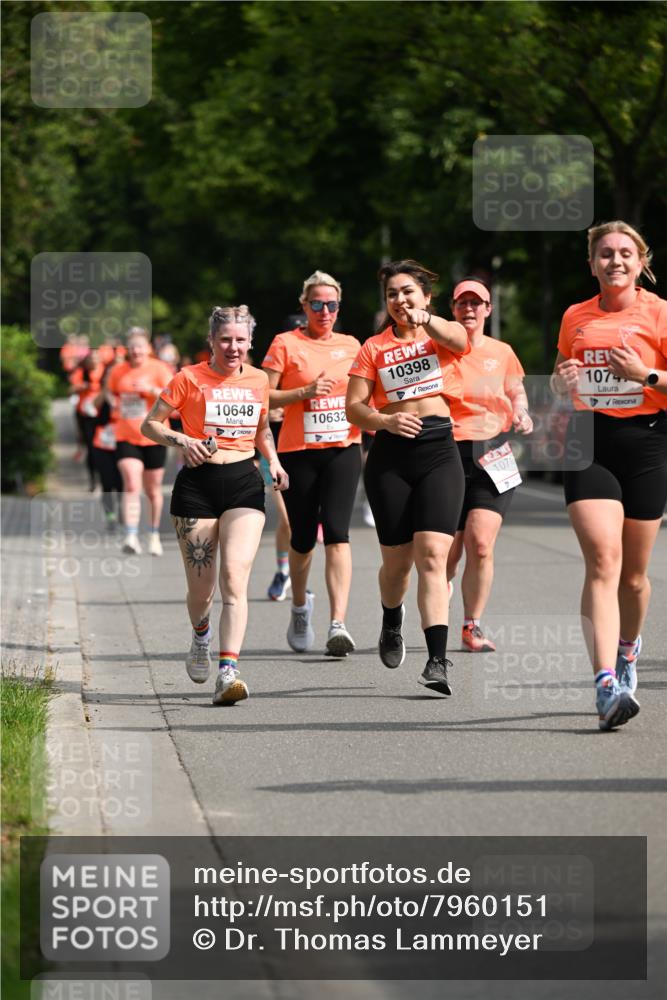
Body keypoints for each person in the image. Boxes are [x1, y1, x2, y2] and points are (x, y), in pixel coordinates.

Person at [551, 220, 667, 731]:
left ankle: (627, 650)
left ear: (640, 263)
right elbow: (560, 378)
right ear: (592, 264)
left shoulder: (659, 313)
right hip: (588, 442)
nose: (614, 261)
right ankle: (604, 685)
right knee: (602, 559)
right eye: (605, 254)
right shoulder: (575, 316)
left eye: (624, 253)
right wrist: (560, 381)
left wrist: (644, 375)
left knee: (634, 579)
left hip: (646, 444)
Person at [141, 305, 288, 706]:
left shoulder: (258, 379)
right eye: (225, 339)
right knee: (201, 591)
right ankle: (201, 634)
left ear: (250, 342)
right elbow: (150, 424)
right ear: (211, 341)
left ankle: (228, 671)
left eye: (240, 340)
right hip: (196, 487)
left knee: (234, 578)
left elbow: (261, 429)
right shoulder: (188, 378)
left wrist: (274, 462)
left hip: (243, 483)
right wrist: (183, 441)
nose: (233, 347)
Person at [346, 259, 468, 695]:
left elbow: (462, 339)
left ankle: (437, 661)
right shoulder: (373, 347)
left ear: (425, 296)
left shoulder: (440, 334)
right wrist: (384, 421)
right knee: (397, 566)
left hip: (439, 451)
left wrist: (427, 320)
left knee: (433, 556)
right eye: (392, 294)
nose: (399, 300)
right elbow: (354, 408)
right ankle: (391, 617)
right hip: (391, 457)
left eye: (407, 292)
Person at [262, 271, 362, 657]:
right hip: (298, 450)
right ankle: (300, 607)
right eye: (317, 304)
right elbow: (263, 396)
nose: (324, 311)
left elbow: (368, 391)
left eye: (331, 304)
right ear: (304, 306)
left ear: (339, 307)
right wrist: (304, 392)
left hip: (343, 447)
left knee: (337, 532)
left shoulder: (351, 345)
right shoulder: (286, 343)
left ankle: (338, 623)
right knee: (302, 538)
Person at [446, 277, 533, 652]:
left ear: (488, 309)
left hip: (493, 451)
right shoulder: (439, 349)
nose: (469, 309)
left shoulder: (502, 352)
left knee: (480, 544)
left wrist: (522, 412)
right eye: (462, 303)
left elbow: (516, 391)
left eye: (476, 303)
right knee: (447, 554)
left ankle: (472, 626)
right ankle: (436, 597)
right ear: (453, 309)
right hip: (447, 452)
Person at [105, 328, 173, 556]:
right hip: (126, 434)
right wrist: (113, 403)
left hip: (155, 435)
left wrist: (151, 389)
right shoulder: (118, 370)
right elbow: (109, 392)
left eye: (140, 347)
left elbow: (174, 398)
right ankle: (131, 535)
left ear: (148, 348)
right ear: (127, 349)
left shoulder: (159, 368)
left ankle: (153, 535)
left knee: (153, 489)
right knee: (132, 484)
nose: (136, 351)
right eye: (132, 347)